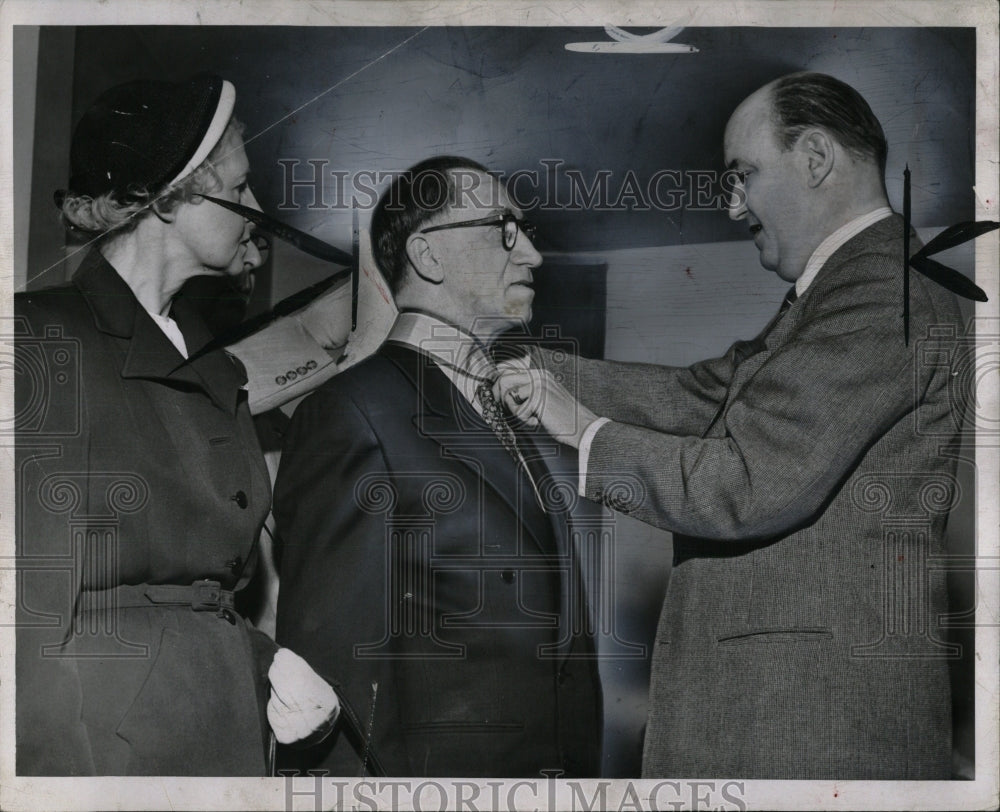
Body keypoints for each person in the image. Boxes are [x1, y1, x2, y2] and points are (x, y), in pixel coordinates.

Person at [496, 72, 964, 779]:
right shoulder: (839, 293)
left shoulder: (883, 293)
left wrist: (584, 431)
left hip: (810, 732)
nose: (731, 204)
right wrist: (519, 361)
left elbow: (749, 482)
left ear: (815, 158)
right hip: (790, 726)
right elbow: (696, 397)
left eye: (743, 175)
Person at [15, 74, 338, 776]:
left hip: (223, 732)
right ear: (172, 196)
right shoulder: (43, 342)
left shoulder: (208, 366)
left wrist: (266, 661)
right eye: (243, 187)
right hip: (114, 754)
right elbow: (25, 624)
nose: (256, 208)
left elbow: (193, 587)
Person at [273, 156, 603, 777]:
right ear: (428, 255)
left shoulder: (506, 407)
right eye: (505, 228)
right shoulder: (349, 413)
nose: (532, 253)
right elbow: (332, 683)